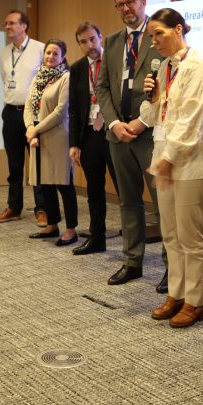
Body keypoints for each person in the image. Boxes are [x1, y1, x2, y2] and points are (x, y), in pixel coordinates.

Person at [140, 8, 203, 328]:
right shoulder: (166, 68)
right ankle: (176, 293)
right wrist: (152, 97)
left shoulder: (197, 65)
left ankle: (196, 302)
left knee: (190, 237)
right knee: (171, 235)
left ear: (178, 29)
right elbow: (152, 117)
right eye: (151, 37)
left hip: (192, 162)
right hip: (168, 160)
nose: (155, 41)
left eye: (159, 33)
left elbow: (190, 120)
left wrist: (167, 160)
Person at [96, 0, 166, 288]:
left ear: (143, 2)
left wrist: (140, 122)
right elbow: (103, 88)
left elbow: (168, 84)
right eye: (120, 4)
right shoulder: (112, 42)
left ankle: (170, 266)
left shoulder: (159, 37)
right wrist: (113, 124)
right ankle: (132, 261)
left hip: (150, 134)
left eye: (131, 2)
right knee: (128, 201)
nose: (126, 8)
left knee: (163, 203)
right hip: (118, 134)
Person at [68, 21, 118, 256]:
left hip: (114, 133)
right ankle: (97, 238)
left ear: (101, 37)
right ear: (79, 44)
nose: (90, 45)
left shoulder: (114, 62)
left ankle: (132, 244)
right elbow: (75, 109)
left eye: (93, 39)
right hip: (89, 134)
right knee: (94, 190)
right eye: (84, 42)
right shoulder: (77, 68)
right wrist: (74, 144)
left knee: (124, 190)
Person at [0, 10, 47, 225]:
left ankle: (43, 209)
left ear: (24, 26)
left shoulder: (40, 49)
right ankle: (14, 207)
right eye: (6, 23)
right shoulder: (4, 53)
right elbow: (6, 79)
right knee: (14, 164)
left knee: (37, 164)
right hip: (10, 112)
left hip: (34, 115)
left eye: (12, 23)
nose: (7, 26)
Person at [23, 39, 78, 245]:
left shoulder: (66, 77)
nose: (50, 57)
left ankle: (71, 230)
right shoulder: (38, 76)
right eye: (48, 53)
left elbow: (60, 111)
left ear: (63, 56)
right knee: (45, 183)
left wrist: (35, 129)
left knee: (63, 183)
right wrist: (30, 128)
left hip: (57, 136)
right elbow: (28, 106)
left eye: (55, 54)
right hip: (37, 136)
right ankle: (52, 225)